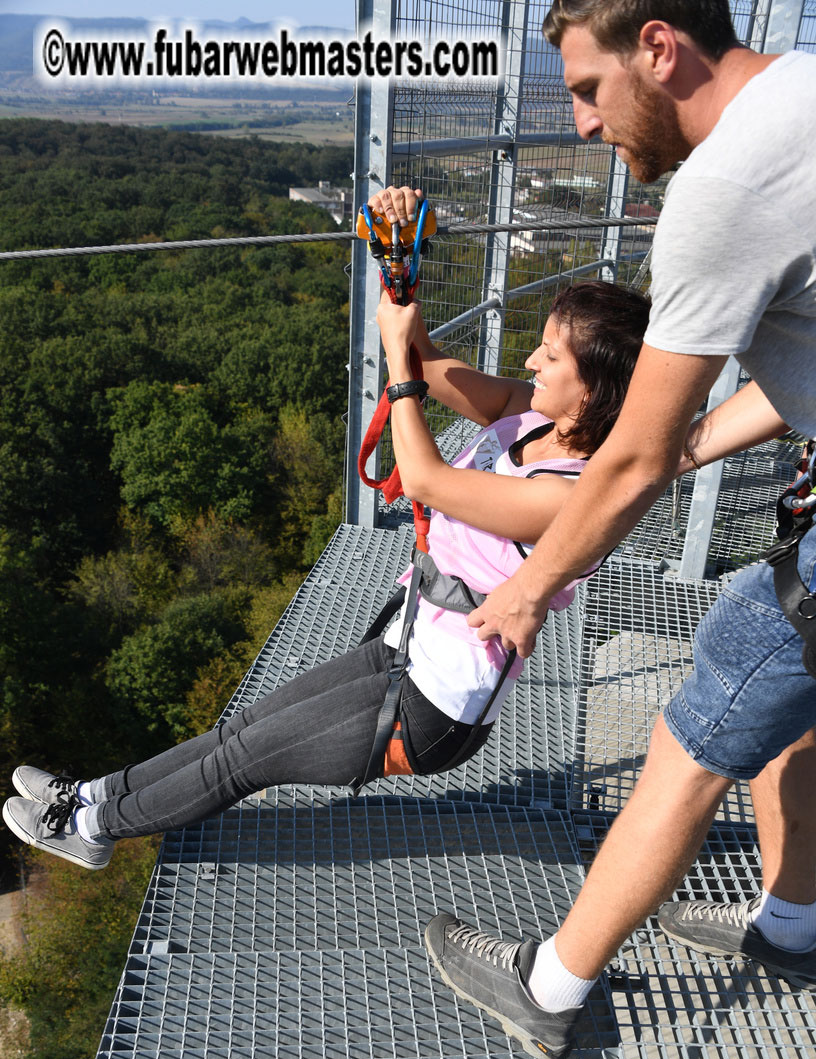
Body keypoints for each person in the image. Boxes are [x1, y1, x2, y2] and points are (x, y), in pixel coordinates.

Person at [372, 1, 816, 1059]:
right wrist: (692, 442)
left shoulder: (722, 190)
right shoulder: (803, 90)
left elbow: (630, 459)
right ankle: (794, 922)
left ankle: (550, 983)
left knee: (701, 726)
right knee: (794, 703)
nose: (578, 124)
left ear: (660, 49)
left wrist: (526, 594)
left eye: (586, 88)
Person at [3, 279, 650, 875]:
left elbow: (426, 478)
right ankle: (95, 792)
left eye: (551, 356)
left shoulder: (573, 497)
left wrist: (400, 371)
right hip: (407, 643)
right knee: (236, 732)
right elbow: (427, 361)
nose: (532, 363)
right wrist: (400, 273)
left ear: (593, 387)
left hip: (436, 704)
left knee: (240, 763)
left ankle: (91, 830)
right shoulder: (529, 416)